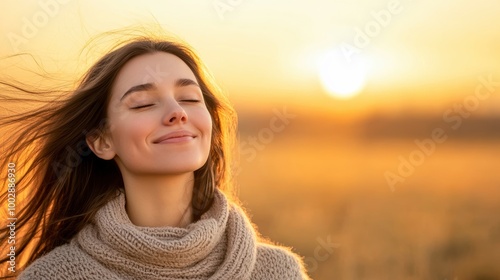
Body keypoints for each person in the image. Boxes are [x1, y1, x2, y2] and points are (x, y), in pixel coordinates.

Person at [0, 36, 310, 279]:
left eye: (189, 99)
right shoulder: (52, 276)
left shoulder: (277, 272)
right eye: (143, 104)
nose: (177, 112)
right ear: (101, 140)